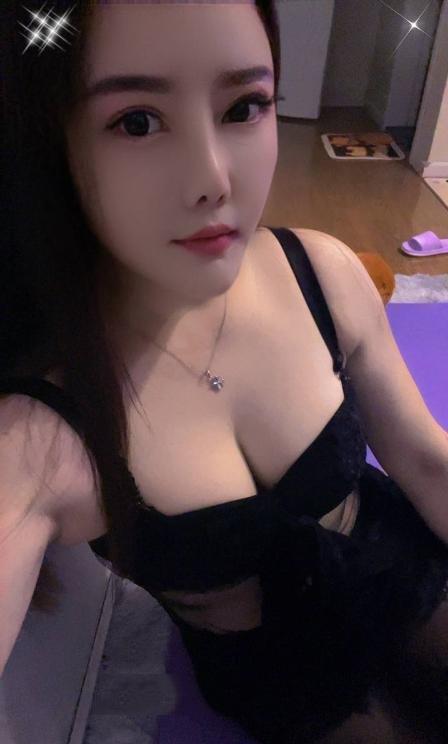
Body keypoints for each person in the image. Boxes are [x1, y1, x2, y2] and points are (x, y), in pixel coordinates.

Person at [1, 1, 448, 741]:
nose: (213, 179)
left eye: (244, 106)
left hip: (397, 567)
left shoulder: (320, 271)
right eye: (137, 122)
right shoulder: (42, 432)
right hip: (276, 676)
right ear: (52, 143)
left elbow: (427, 463)